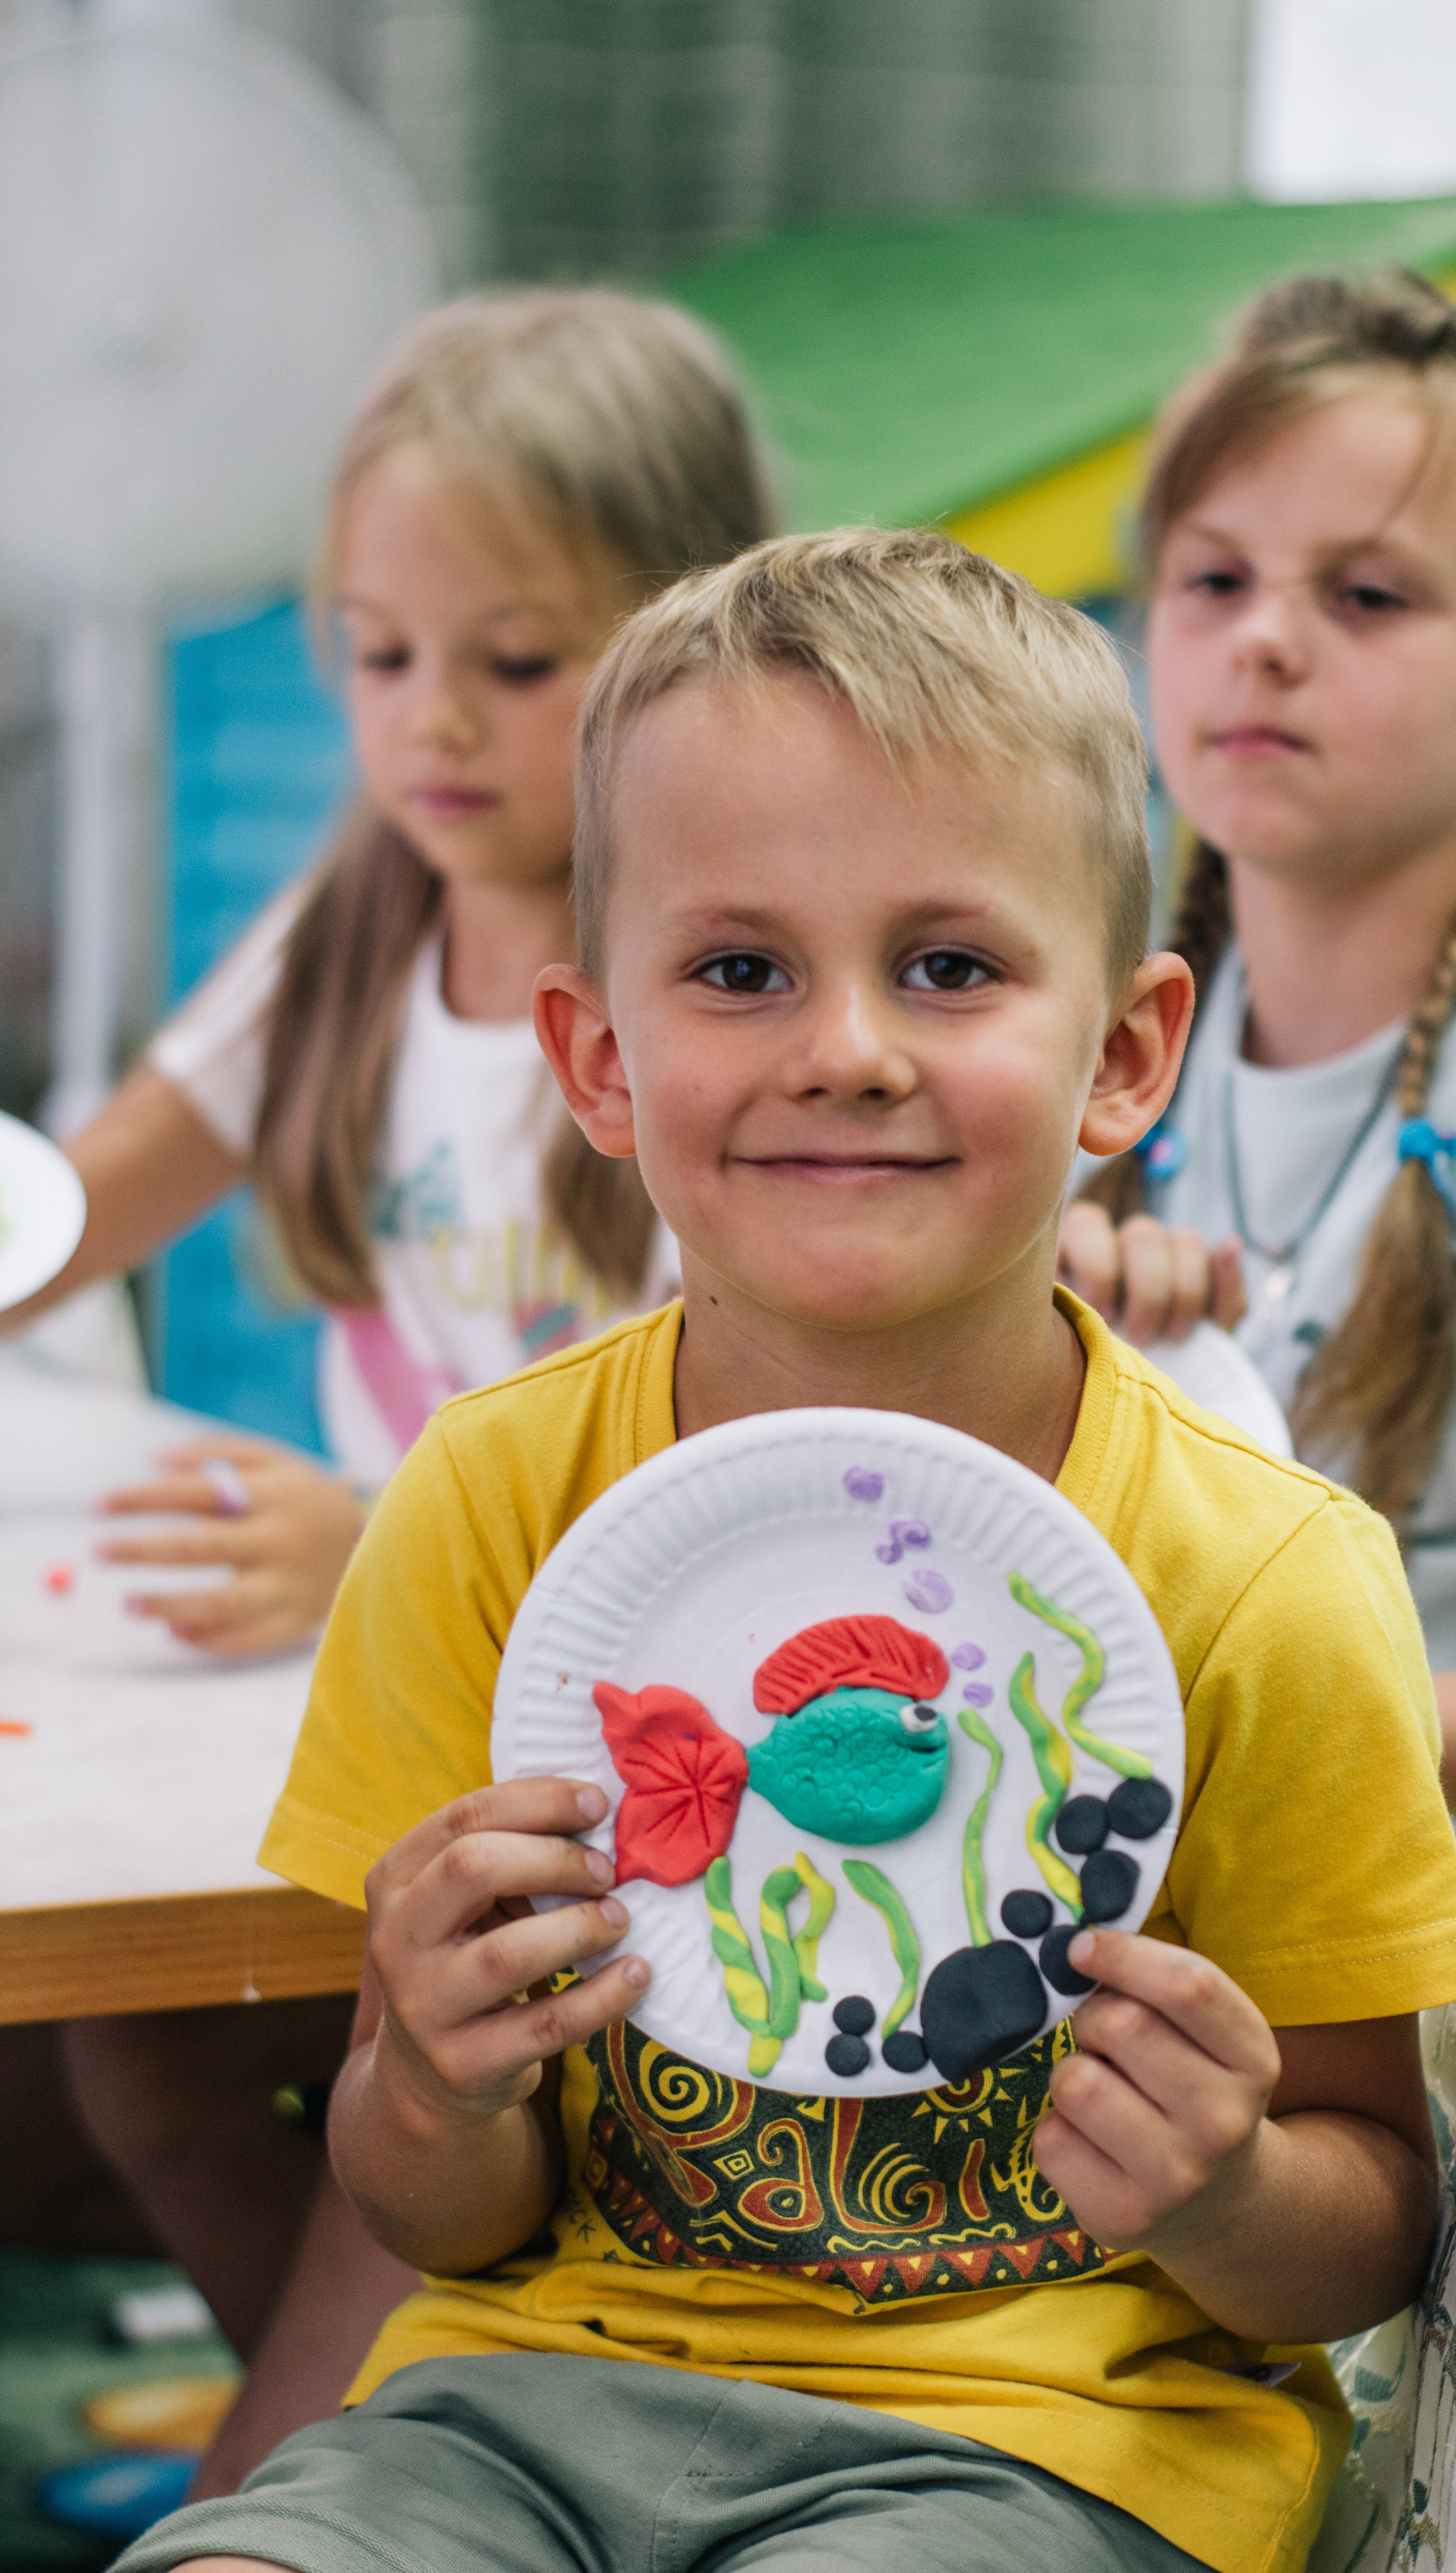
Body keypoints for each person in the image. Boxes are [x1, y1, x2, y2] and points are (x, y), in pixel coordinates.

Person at [115, 528, 1456, 2573]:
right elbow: (429, 2206)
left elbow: (1369, 2221)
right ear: (598, 1059)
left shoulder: (1263, 1577)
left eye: (949, 965)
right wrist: (441, 2075)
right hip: (515, 2409)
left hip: (1046, 2459)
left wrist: (1218, 2191)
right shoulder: (495, 1507)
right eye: (742, 969)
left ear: (1125, 1051)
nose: (846, 1045)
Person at [9, 287, 777, 2494]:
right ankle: (413, 2471)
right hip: (392, 1684)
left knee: (381, 2162)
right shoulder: (364, 912)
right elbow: (84, 1203)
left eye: (514, 661)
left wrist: (375, 1533)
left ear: (680, 637)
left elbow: (724, 1447)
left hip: (607, 1750)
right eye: (376, 650)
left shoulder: (708, 974)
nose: (429, 720)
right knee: (142, 2066)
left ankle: (339, 2475)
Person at [1061, 274, 1456, 2046]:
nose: (1264, 640)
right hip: (1222, 1923)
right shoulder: (1108, 1044)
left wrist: (1251, 1729)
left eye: (1366, 595)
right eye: (1213, 580)